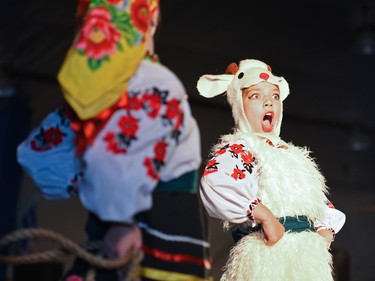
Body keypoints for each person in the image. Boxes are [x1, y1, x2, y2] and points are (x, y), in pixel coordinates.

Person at [17, 0, 211, 280]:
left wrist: (100, 197)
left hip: (107, 242)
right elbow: (112, 159)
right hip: (155, 244)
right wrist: (121, 220)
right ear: (151, 18)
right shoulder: (154, 82)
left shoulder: (95, 90)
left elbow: (42, 161)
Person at [196, 59, 346, 281]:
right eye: (256, 96)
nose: (268, 102)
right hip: (266, 255)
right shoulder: (242, 147)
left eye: (274, 96)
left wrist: (324, 232)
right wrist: (265, 217)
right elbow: (217, 181)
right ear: (239, 103)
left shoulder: (293, 154)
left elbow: (317, 200)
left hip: (308, 262)